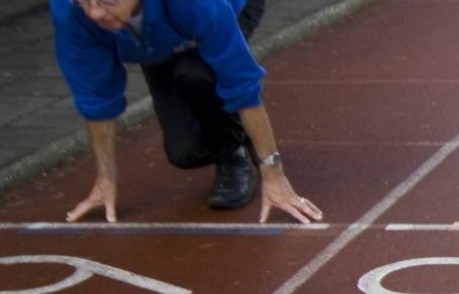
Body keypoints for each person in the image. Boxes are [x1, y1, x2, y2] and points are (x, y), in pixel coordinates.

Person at [53, 0, 323, 223]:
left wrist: (273, 174)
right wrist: (105, 179)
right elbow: (95, 96)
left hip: (220, 9)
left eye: (106, 1)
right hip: (157, 38)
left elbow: (241, 84)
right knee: (185, 153)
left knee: (196, 74)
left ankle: (233, 157)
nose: (94, 12)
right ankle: (234, 137)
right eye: (86, 1)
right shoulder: (72, 11)